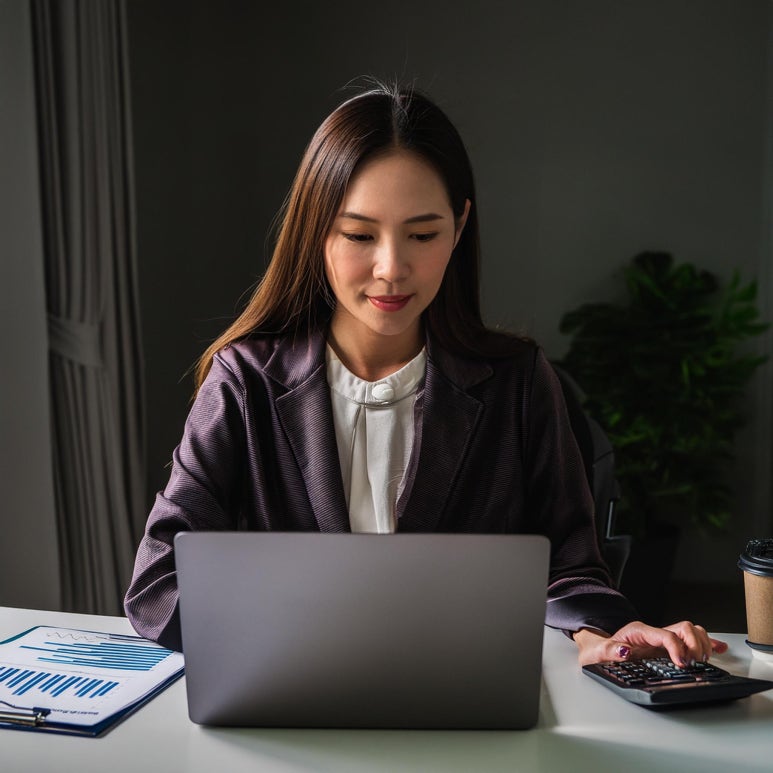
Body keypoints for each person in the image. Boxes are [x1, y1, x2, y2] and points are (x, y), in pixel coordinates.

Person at [125, 81, 726, 667]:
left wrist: (605, 632)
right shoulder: (244, 381)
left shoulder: (518, 381)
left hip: (467, 717)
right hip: (289, 714)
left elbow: (570, 564)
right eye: (359, 234)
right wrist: (303, 635)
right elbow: (157, 586)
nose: (392, 268)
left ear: (459, 228)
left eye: (423, 234)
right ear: (316, 234)